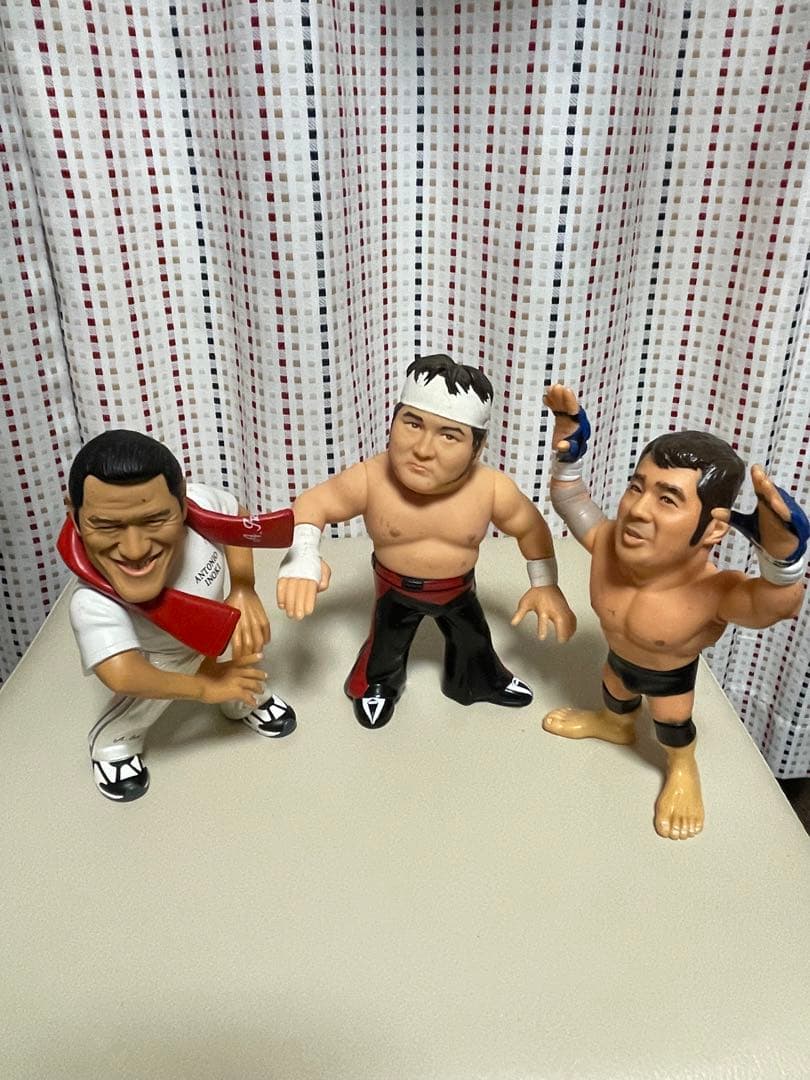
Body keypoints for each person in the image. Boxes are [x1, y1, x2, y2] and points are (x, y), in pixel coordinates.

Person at [542, 384, 807, 840]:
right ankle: (615, 725)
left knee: (671, 723)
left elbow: (775, 606)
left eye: (667, 499)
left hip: (670, 679)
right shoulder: (607, 544)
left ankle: (683, 768)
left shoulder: (714, 592)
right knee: (614, 687)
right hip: (617, 659)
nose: (638, 510)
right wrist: (571, 449)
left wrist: (784, 558)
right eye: (636, 487)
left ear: (714, 529)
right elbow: (571, 501)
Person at [277, 354, 576, 728]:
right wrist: (304, 552)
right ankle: (378, 686)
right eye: (413, 423)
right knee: (385, 646)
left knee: (474, 641)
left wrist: (545, 584)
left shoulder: (491, 489)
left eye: (449, 435)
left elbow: (530, 527)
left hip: (458, 590)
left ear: (477, 447)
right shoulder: (371, 478)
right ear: (393, 421)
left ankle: (478, 681)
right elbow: (314, 503)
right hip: (394, 589)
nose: (422, 449)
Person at [61, 430, 296, 802]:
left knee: (248, 650)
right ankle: (114, 745)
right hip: (161, 657)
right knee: (141, 705)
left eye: (155, 520)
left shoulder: (200, 507)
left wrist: (243, 588)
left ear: (182, 503)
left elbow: (236, 517)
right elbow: (124, 674)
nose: (135, 549)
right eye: (107, 526)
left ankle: (242, 700)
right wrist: (204, 687)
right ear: (74, 516)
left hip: (220, 621)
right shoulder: (93, 601)